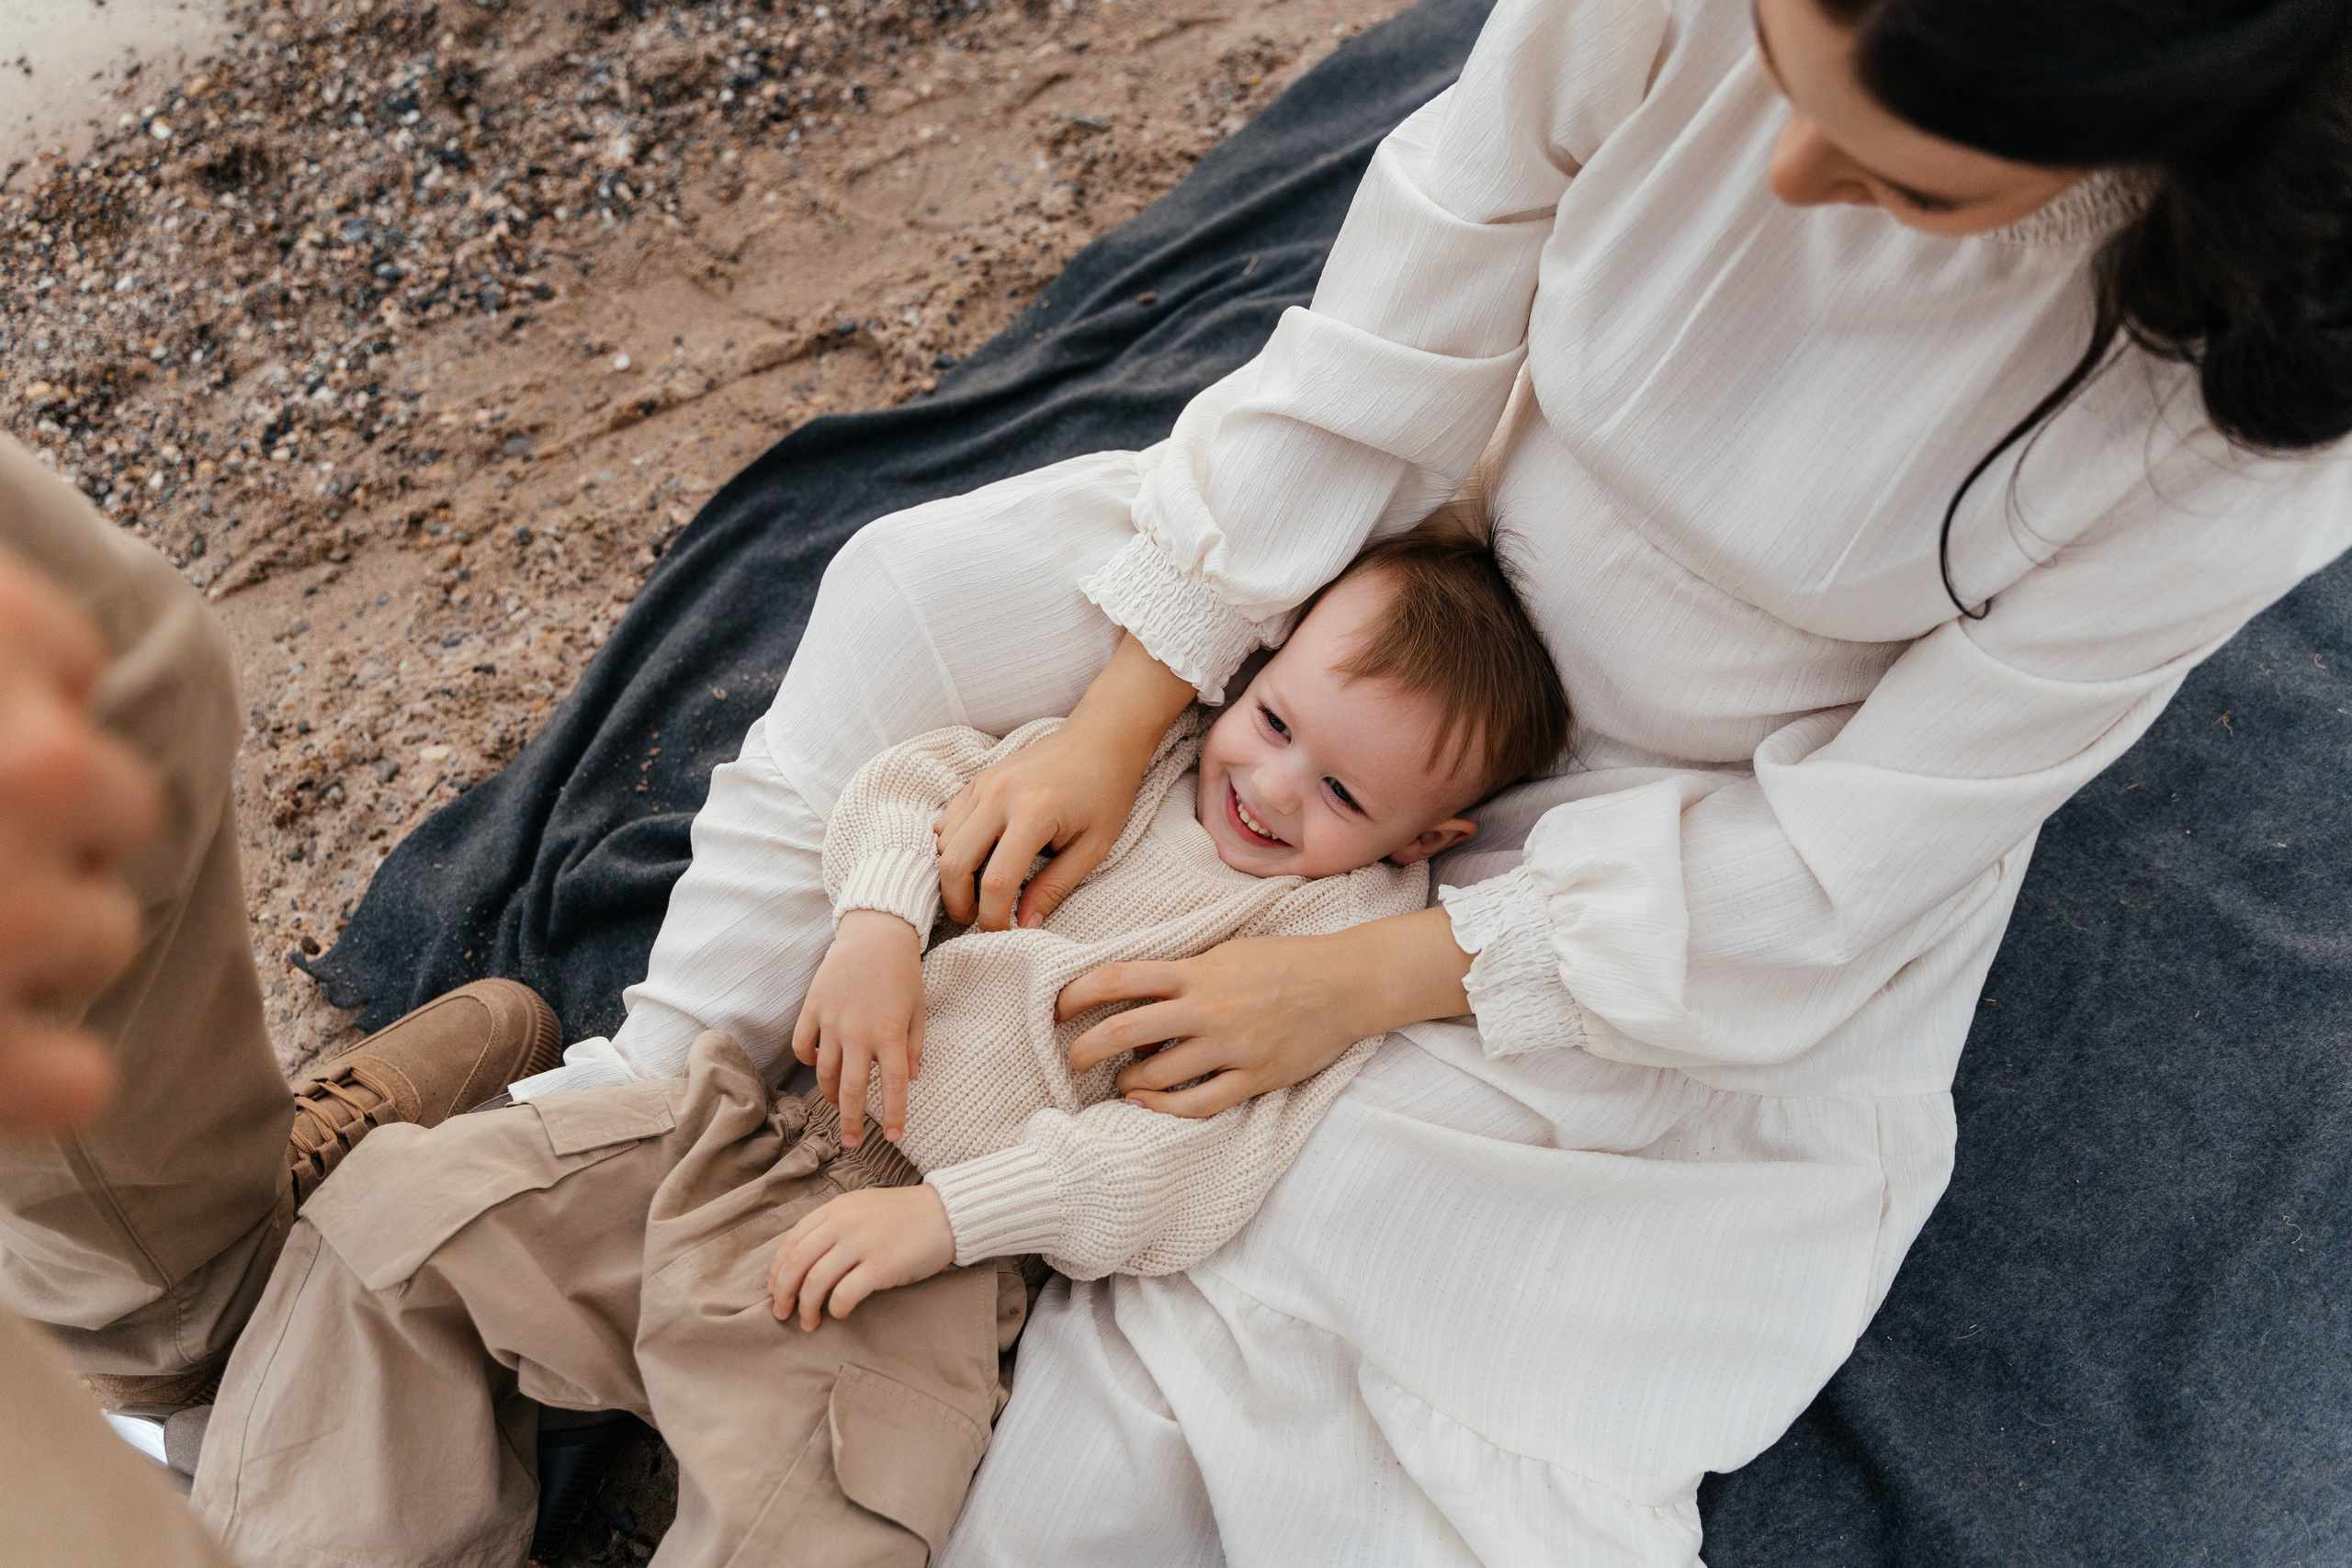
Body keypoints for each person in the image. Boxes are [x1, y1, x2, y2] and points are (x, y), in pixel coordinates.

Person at [495, 0, 2340, 1560]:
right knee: (909, 597)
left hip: (1701, 823)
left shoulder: (2233, 436)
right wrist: (1130, 707)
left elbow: (1873, 842)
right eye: (1781, 70)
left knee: (1299, 1304)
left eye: (1904, 178)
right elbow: (1404, 319)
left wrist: (1348, 978)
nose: (1785, 178)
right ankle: (638, 1116)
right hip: (1404, 576)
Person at [180, 521, 1573, 1566]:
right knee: (397, 1215)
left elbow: (1182, 1172)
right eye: (1273, 721)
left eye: (1339, 789)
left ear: (1427, 838)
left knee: (816, 1526)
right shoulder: (1151, 755)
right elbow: (911, 786)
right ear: (1254, 669)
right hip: (756, 1134)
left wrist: (952, 1221)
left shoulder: (1324, 942)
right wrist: (878, 928)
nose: (1269, 784)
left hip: (920, 1277)